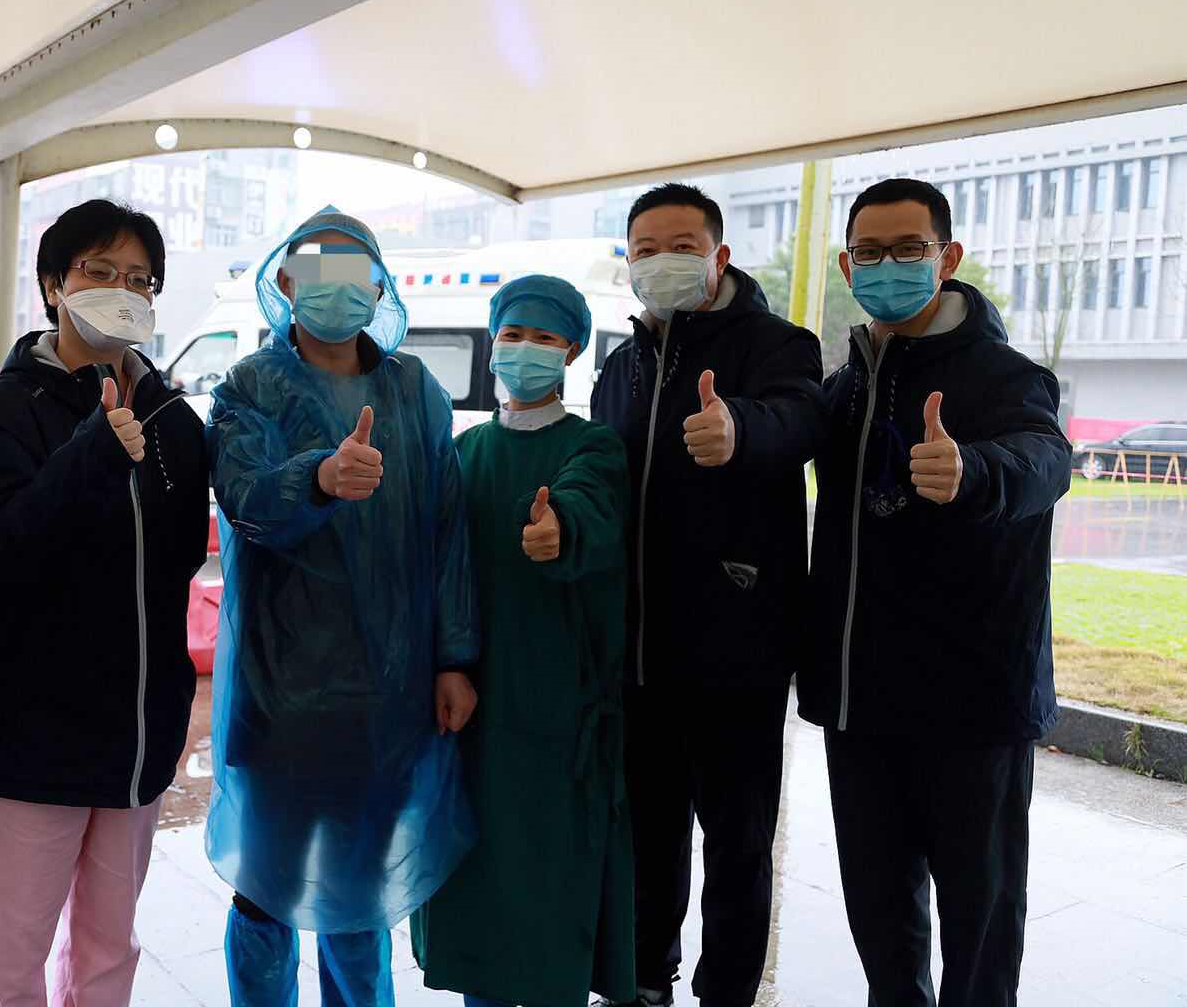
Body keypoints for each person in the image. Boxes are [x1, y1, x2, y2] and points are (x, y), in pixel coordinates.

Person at [798, 178, 1070, 1007]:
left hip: (973, 703)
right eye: (870, 252)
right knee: (880, 914)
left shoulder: (1005, 376)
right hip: (861, 702)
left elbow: (1044, 459)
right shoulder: (846, 385)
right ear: (847, 266)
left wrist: (975, 469)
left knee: (980, 917)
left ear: (946, 257)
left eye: (908, 248)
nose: (888, 266)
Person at [205, 205, 480, 1006]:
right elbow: (245, 500)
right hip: (279, 690)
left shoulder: (414, 391)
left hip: (387, 697)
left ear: (379, 286)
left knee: (360, 896)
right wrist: (319, 478)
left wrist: (454, 658)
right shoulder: (252, 386)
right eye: (317, 269)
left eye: (352, 270)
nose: (335, 287)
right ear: (286, 282)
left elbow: (448, 532)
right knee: (267, 886)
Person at [0, 200, 209, 1006]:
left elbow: (177, 564)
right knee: (12, 957)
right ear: (54, 285)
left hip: (134, 737)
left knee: (107, 950)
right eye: (100, 271)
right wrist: (91, 455)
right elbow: (7, 555)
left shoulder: (175, 421)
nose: (122, 291)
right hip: (26, 739)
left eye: (140, 279)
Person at [591, 183, 825, 1007]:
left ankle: (727, 991)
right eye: (645, 250)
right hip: (639, 652)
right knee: (647, 835)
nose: (663, 262)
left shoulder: (777, 344)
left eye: (682, 246)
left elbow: (803, 419)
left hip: (739, 651)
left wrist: (741, 429)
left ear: (719, 256)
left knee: (737, 843)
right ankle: (644, 977)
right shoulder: (620, 366)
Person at [412, 275, 635, 1007]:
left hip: (554, 711)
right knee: (475, 890)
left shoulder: (592, 446)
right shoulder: (463, 451)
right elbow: (433, 566)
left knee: (546, 896)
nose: (525, 349)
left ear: (571, 350)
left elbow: (588, 502)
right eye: (512, 334)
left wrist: (558, 529)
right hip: (468, 708)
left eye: (544, 337)